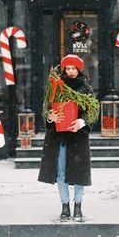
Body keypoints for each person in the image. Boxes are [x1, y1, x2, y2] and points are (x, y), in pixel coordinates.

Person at [38, 54, 98, 221]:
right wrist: (51, 117)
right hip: (59, 137)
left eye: (73, 68)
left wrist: (82, 121)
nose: (70, 72)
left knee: (79, 173)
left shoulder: (86, 89)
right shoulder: (55, 86)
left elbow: (92, 110)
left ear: (79, 70)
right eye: (68, 68)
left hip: (78, 137)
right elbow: (46, 108)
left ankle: (78, 206)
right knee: (61, 172)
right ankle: (65, 207)